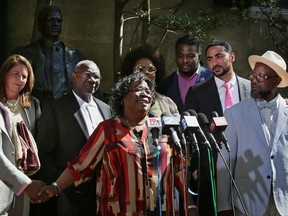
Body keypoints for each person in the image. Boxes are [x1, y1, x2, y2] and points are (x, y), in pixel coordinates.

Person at [38, 73, 189, 215]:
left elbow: (179, 171)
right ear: (123, 98)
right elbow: (80, 166)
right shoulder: (108, 130)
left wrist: (191, 205)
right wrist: (55, 187)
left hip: (162, 210)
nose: (145, 93)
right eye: (138, 89)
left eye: (148, 91)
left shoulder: (164, 130)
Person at [36, 60, 112, 216]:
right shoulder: (56, 108)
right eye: (87, 74)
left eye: (96, 77)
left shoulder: (107, 109)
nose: (92, 80)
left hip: (104, 192)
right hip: (70, 195)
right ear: (74, 76)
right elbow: (44, 152)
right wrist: (62, 186)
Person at [184, 40, 251, 216]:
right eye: (210, 59)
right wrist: (196, 169)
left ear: (232, 56)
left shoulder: (251, 88)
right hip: (212, 170)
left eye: (219, 56)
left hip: (248, 167)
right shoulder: (197, 92)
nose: (214, 62)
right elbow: (191, 134)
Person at [217, 50, 288, 216]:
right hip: (247, 203)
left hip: (283, 204)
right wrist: (224, 206)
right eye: (254, 75)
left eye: (262, 77)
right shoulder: (234, 114)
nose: (254, 81)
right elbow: (224, 163)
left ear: (277, 81)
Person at [13, 5, 85, 107]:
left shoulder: (75, 57)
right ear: (39, 25)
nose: (55, 24)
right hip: (35, 109)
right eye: (50, 20)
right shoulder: (24, 54)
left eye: (58, 21)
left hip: (66, 109)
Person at [0, 54, 42, 216]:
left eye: (25, 76)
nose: (20, 79)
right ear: (5, 74)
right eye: (15, 74)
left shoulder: (33, 105)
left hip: (24, 177)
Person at [158, 35, 213, 113]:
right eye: (180, 56)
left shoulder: (211, 79)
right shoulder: (166, 84)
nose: (185, 60)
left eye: (190, 56)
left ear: (199, 57)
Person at [121, 44, 179, 116]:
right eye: (140, 68)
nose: (146, 72)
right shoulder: (120, 101)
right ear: (130, 73)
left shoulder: (168, 103)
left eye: (151, 69)